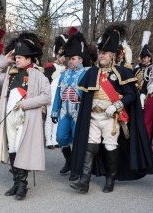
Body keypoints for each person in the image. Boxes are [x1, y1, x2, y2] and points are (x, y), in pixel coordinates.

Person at [69, 24, 153, 194]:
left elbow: (131, 95)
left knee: (110, 146)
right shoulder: (92, 72)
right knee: (90, 146)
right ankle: (84, 181)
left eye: (104, 53)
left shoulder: (122, 72)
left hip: (113, 118)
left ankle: (111, 178)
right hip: (93, 117)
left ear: (112, 55)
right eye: (100, 52)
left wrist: (117, 105)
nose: (101, 55)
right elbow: (84, 95)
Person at [0, 32, 51, 200]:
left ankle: (23, 185)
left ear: (29, 59)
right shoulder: (11, 73)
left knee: (20, 147)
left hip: (26, 117)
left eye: (20, 57)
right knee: (12, 149)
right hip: (9, 116)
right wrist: (4, 59)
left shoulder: (38, 74)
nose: (17, 59)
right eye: (16, 57)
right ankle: (17, 183)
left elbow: (46, 97)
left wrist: (26, 103)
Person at [50, 32, 88, 178]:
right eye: (69, 59)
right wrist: (54, 111)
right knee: (60, 138)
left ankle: (76, 169)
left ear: (80, 59)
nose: (70, 61)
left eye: (73, 59)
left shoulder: (86, 73)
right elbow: (58, 95)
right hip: (64, 112)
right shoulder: (64, 75)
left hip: (78, 112)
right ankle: (69, 160)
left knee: (78, 141)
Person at [44, 33, 68, 151]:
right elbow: (45, 83)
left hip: (60, 95)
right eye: (60, 55)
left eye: (64, 56)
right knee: (49, 117)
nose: (62, 58)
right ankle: (48, 140)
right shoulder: (50, 67)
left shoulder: (66, 69)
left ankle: (55, 139)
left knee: (57, 117)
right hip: (51, 95)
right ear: (56, 54)